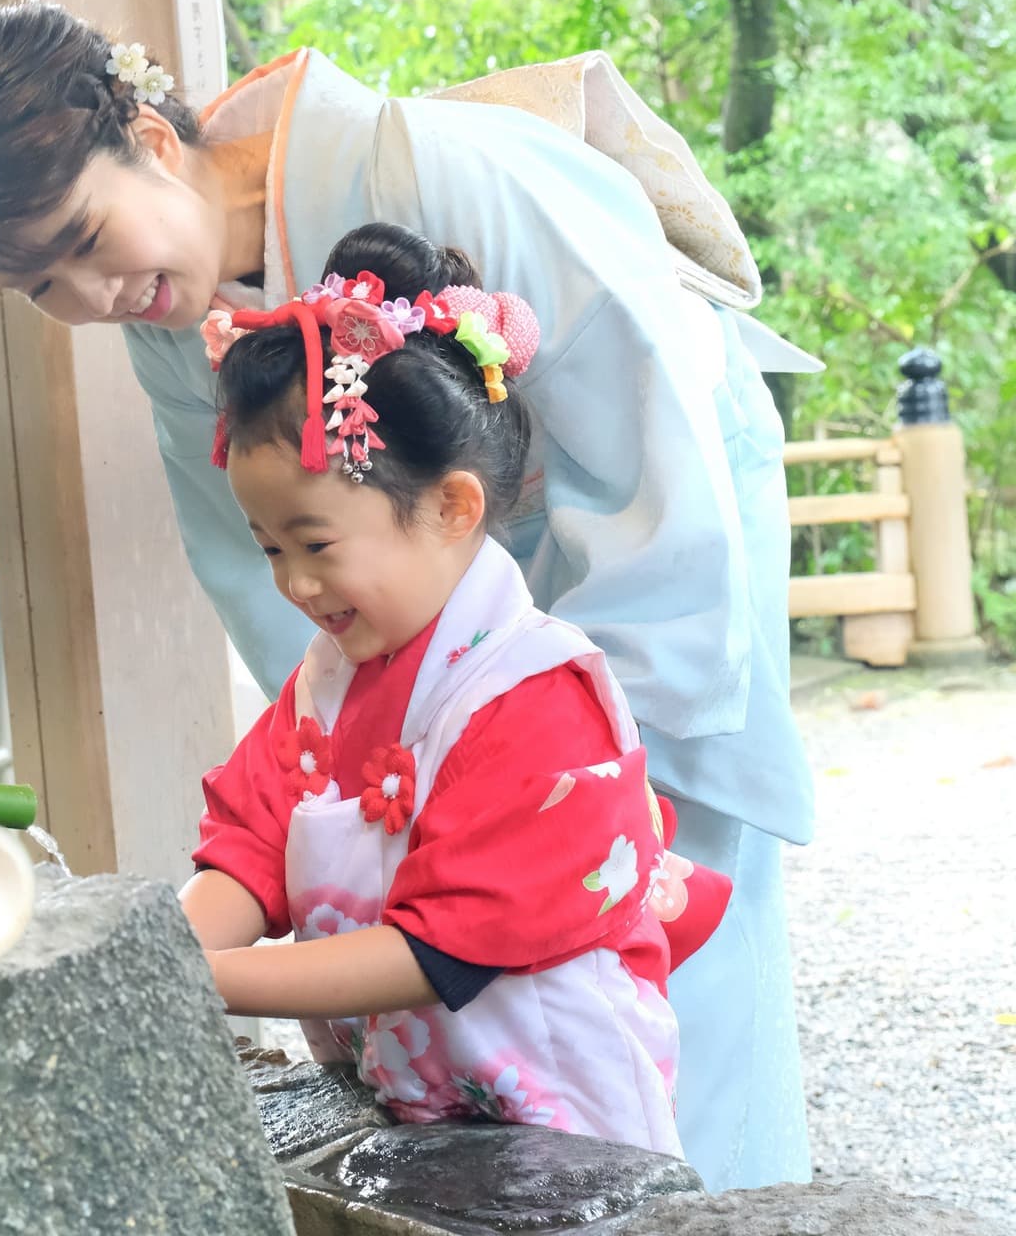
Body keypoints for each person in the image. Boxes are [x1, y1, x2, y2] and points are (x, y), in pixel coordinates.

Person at [0, 0, 815, 1188]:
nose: (89, 296)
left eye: (83, 238)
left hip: (655, 503)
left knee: (639, 911)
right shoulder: (167, 312)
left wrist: (588, 755)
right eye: (38, 284)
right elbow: (259, 565)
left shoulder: (430, 169)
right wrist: (363, 767)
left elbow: (648, 438)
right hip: (412, 568)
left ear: (152, 143)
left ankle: (724, 1191)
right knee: (451, 926)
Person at [185, 221, 732, 1154]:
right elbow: (251, 843)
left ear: (451, 507)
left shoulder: (538, 694)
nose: (295, 585)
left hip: (562, 1122)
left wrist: (201, 979)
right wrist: (170, 947)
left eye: (315, 544)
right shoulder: (327, 686)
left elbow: (442, 946)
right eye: (269, 548)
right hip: (410, 1105)